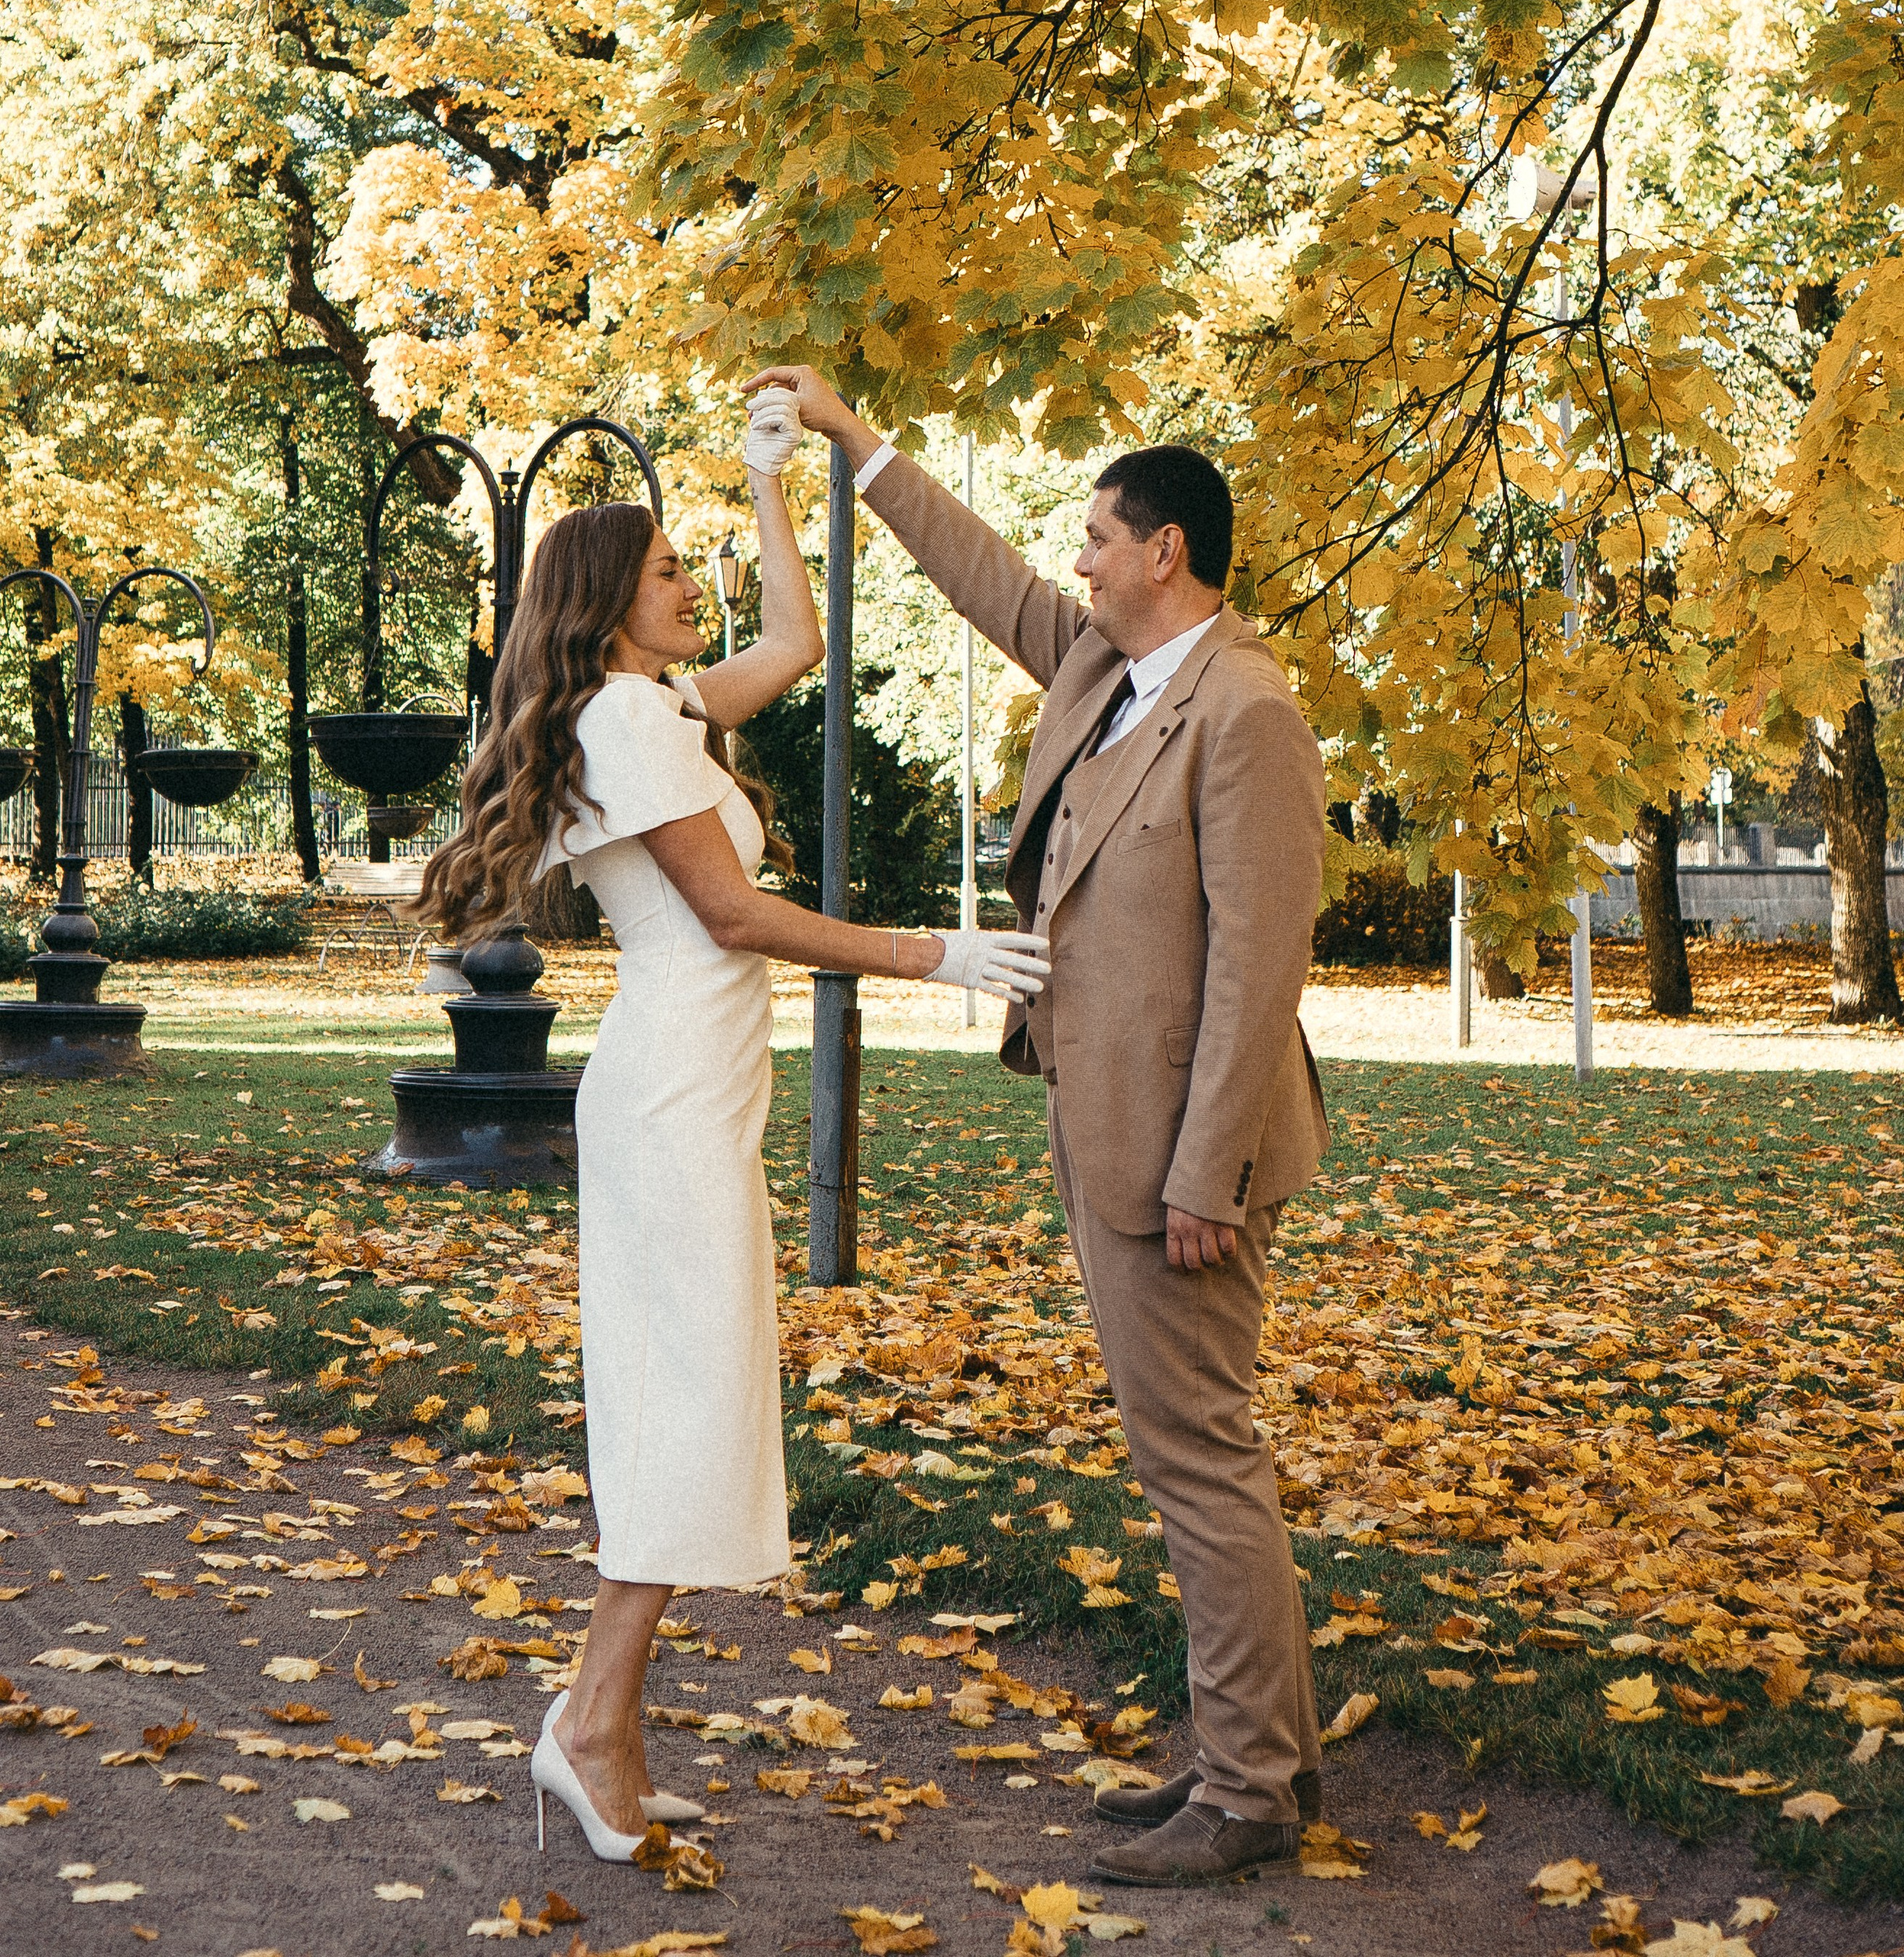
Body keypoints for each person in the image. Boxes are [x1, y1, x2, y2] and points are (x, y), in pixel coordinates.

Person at [414, 395, 1049, 1863]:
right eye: (664, 576)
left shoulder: (653, 707)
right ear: (604, 606)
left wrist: (773, 484)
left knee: (691, 1401)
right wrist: (940, 957)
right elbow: (728, 912)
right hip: (667, 1099)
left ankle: (598, 1725)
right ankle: (589, 1726)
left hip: (687, 1091)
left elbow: (793, 648)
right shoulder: (624, 717)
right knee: (685, 1407)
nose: (690, 590)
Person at [743, 368, 1330, 1891]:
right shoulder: (1102, 669)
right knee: (1177, 1447)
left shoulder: (1245, 711)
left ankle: (1251, 1788)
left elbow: (1258, 970)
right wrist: (856, 444)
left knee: (1196, 1453)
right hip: (1103, 1119)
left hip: (1184, 1156)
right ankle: (1243, 1753)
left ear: (1168, 555)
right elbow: (978, 568)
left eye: (1097, 538)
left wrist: (1205, 1169)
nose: (1073, 559)